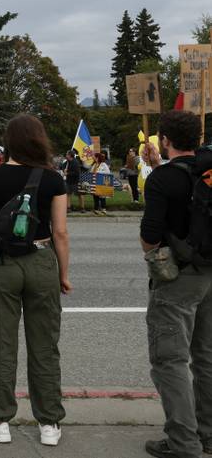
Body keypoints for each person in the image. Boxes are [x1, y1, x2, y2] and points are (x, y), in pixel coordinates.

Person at [0, 114, 71, 448]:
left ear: (8, 141)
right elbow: (61, 232)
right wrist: (63, 274)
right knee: (44, 345)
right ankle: (49, 423)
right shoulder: (53, 179)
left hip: (2, 264)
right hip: (41, 260)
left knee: (0, 345)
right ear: (39, 140)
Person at [139, 110, 212, 458]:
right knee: (206, 357)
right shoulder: (207, 171)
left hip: (179, 278)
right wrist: (157, 165)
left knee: (170, 360)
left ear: (164, 140)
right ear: (199, 139)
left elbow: (150, 237)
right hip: (209, 272)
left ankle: (183, 442)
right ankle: (208, 434)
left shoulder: (162, 180)